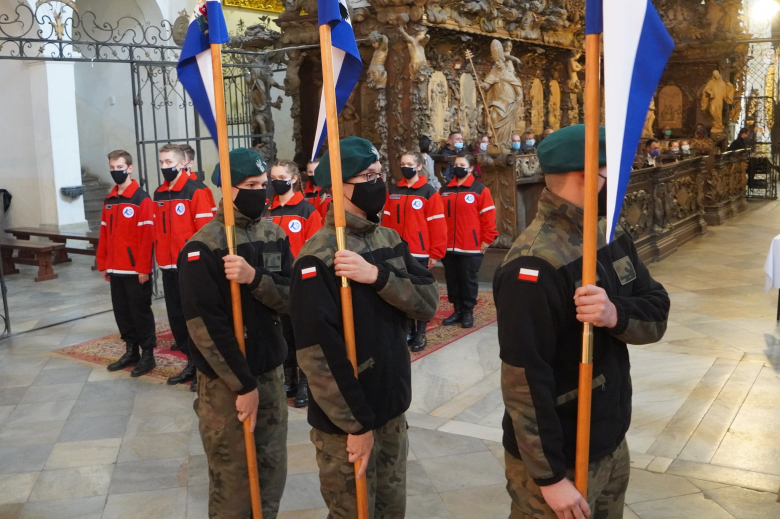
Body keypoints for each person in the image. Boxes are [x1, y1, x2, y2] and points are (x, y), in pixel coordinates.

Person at [494, 124, 670, 519]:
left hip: (607, 436)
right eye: (614, 174)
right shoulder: (533, 264)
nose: (623, 182)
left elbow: (657, 309)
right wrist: (549, 477)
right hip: (562, 457)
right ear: (587, 177)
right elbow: (523, 383)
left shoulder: (607, 232)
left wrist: (614, 314)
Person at [290, 137, 439, 518]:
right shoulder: (318, 256)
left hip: (391, 405)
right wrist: (353, 424)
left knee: (391, 509)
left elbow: (426, 303)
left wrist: (377, 276)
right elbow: (317, 356)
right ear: (337, 185)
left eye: (379, 174)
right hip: (348, 421)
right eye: (367, 176)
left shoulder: (388, 239)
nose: (378, 184)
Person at [179, 147, 292, 519]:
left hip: (270, 374)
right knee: (234, 482)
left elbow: (291, 297)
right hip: (228, 386)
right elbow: (204, 329)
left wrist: (254, 279)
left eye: (264, 184)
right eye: (251, 185)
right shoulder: (203, 246)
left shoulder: (274, 234)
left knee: (271, 471)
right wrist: (243, 385)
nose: (261, 192)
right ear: (228, 189)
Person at [154, 143, 215, 385]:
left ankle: (204, 367)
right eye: (161, 163)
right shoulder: (159, 193)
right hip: (167, 265)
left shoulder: (195, 191)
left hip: (189, 266)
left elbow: (204, 233)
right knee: (177, 317)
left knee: (195, 318)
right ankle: (190, 362)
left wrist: (199, 265)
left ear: (182, 163)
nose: (164, 167)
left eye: (169, 162)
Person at [265, 159, 323, 408]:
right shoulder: (268, 211)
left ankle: (306, 383)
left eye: (281, 178)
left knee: (303, 335)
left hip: (300, 281)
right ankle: (288, 376)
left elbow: (315, 250)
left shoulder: (307, 210)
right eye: (272, 178)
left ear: (293, 179)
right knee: (283, 333)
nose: (276, 182)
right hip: (277, 280)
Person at [98, 150, 157, 377]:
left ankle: (148, 355)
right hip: (115, 267)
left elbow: (147, 238)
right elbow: (104, 233)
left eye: (119, 168)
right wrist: (103, 263)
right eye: (112, 169)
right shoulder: (110, 199)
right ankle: (131, 351)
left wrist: (143, 268)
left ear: (130, 168)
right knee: (122, 312)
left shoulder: (142, 199)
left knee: (140, 311)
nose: (116, 172)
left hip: (135, 270)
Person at [383, 151, 447, 352]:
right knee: (402, 292)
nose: (405, 167)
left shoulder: (428, 192)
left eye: (410, 164)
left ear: (419, 167)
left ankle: (420, 333)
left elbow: (437, 225)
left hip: (420, 252)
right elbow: (386, 221)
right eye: (402, 163)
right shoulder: (394, 190)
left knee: (418, 292)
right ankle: (408, 330)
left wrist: (435, 253)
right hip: (398, 252)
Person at [440, 154, 498, 329]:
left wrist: (487, 240)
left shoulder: (480, 190)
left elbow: (488, 218)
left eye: (462, 165)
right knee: (452, 280)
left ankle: (467, 312)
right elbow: (438, 218)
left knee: (467, 280)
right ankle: (456, 310)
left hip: (471, 246)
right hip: (448, 246)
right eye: (456, 164)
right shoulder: (443, 191)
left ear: (471, 168)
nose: (458, 167)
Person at [181, 143, 217, 218]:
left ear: (191, 163)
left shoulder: (203, 189)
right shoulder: (165, 189)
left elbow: (209, 221)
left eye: (182, 161)